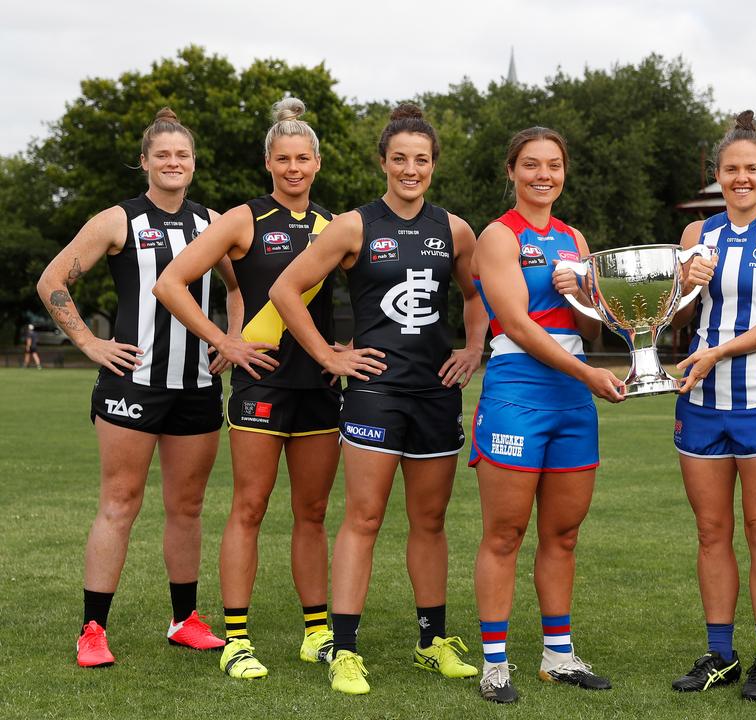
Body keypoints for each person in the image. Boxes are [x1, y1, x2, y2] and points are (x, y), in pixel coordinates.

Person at [270, 103, 486, 694]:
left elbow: (475, 297)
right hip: (374, 394)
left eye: (421, 160)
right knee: (362, 518)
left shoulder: (456, 229)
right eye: (400, 159)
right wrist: (329, 356)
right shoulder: (353, 226)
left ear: (433, 166)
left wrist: (473, 349)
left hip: (435, 393)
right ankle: (344, 650)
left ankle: (432, 641)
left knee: (431, 520)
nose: (410, 170)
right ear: (383, 163)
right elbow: (285, 288)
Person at [36, 108, 235, 668]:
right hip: (133, 384)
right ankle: (93, 629)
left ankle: (185, 620)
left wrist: (233, 336)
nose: (174, 163)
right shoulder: (117, 221)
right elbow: (52, 280)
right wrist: (91, 346)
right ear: (145, 162)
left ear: (194, 163)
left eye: (183, 155)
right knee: (120, 503)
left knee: (188, 507)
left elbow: (239, 287)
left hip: (197, 384)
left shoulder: (214, 223)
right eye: (163, 155)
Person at [153, 97, 340, 679]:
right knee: (250, 508)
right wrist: (226, 341)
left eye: (303, 159)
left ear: (316, 163)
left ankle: (318, 633)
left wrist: (338, 354)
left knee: (312, 513)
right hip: (260, 386)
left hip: (317, 388)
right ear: (268, 162)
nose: (293, 169)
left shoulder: (336, 228)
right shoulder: (241, 220)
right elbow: (171, 283)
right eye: (283, 159)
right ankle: (237, 638)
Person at [469, 126, 625, 704]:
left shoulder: (573, 238)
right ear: (511, 171)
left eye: (554, 165)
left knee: (562, 534)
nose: (543, 175)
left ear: (564, 173)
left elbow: (596, 329)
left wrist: (583, 297)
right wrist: (587, 373)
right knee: (505, 533)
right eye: (531, 165)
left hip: (572, 402)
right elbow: (516, 323)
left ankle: (558, 656)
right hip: (517, 395)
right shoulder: (497, 237)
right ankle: (494, 662)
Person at [666, 111, 756, 702]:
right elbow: (670, 316)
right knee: (710, 531)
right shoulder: (695, 235)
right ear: (718, 176)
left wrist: (719, 351)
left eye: (751, 169)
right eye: (731, 170)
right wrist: (684, 283)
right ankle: (720, 653)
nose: (741, 178)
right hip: (699, 400)